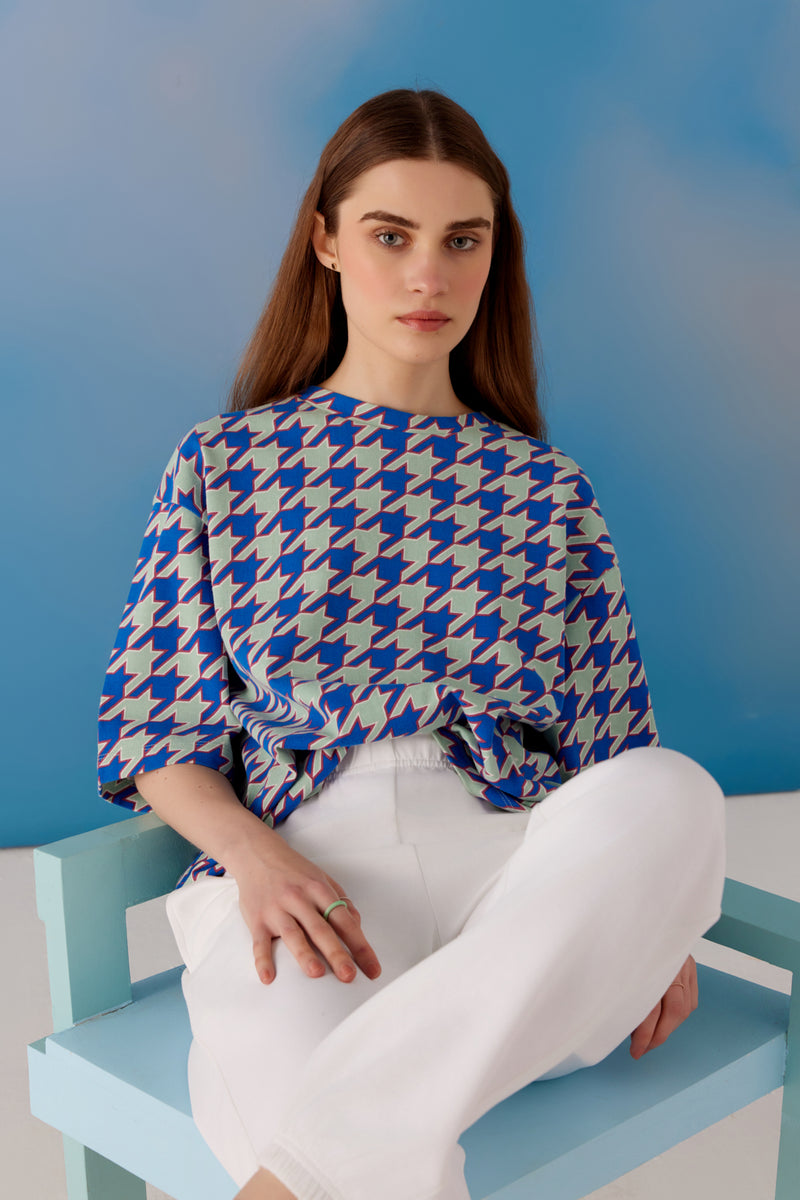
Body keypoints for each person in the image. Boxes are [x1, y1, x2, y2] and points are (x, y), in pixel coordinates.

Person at [96, 88, 727, 1200]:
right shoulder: (222, 465)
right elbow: (157, 728)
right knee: (314, 1118)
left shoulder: (545, 488)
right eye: (391, 237)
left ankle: (330, 1146)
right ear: (327, 242)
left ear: (493, 257)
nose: (428, 276)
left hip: (518, 880)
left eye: (461, 241)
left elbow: (615, 752)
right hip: (312, 873)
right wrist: (251, 855)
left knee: (674, 791)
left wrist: (653, 910)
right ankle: (350, 1137)